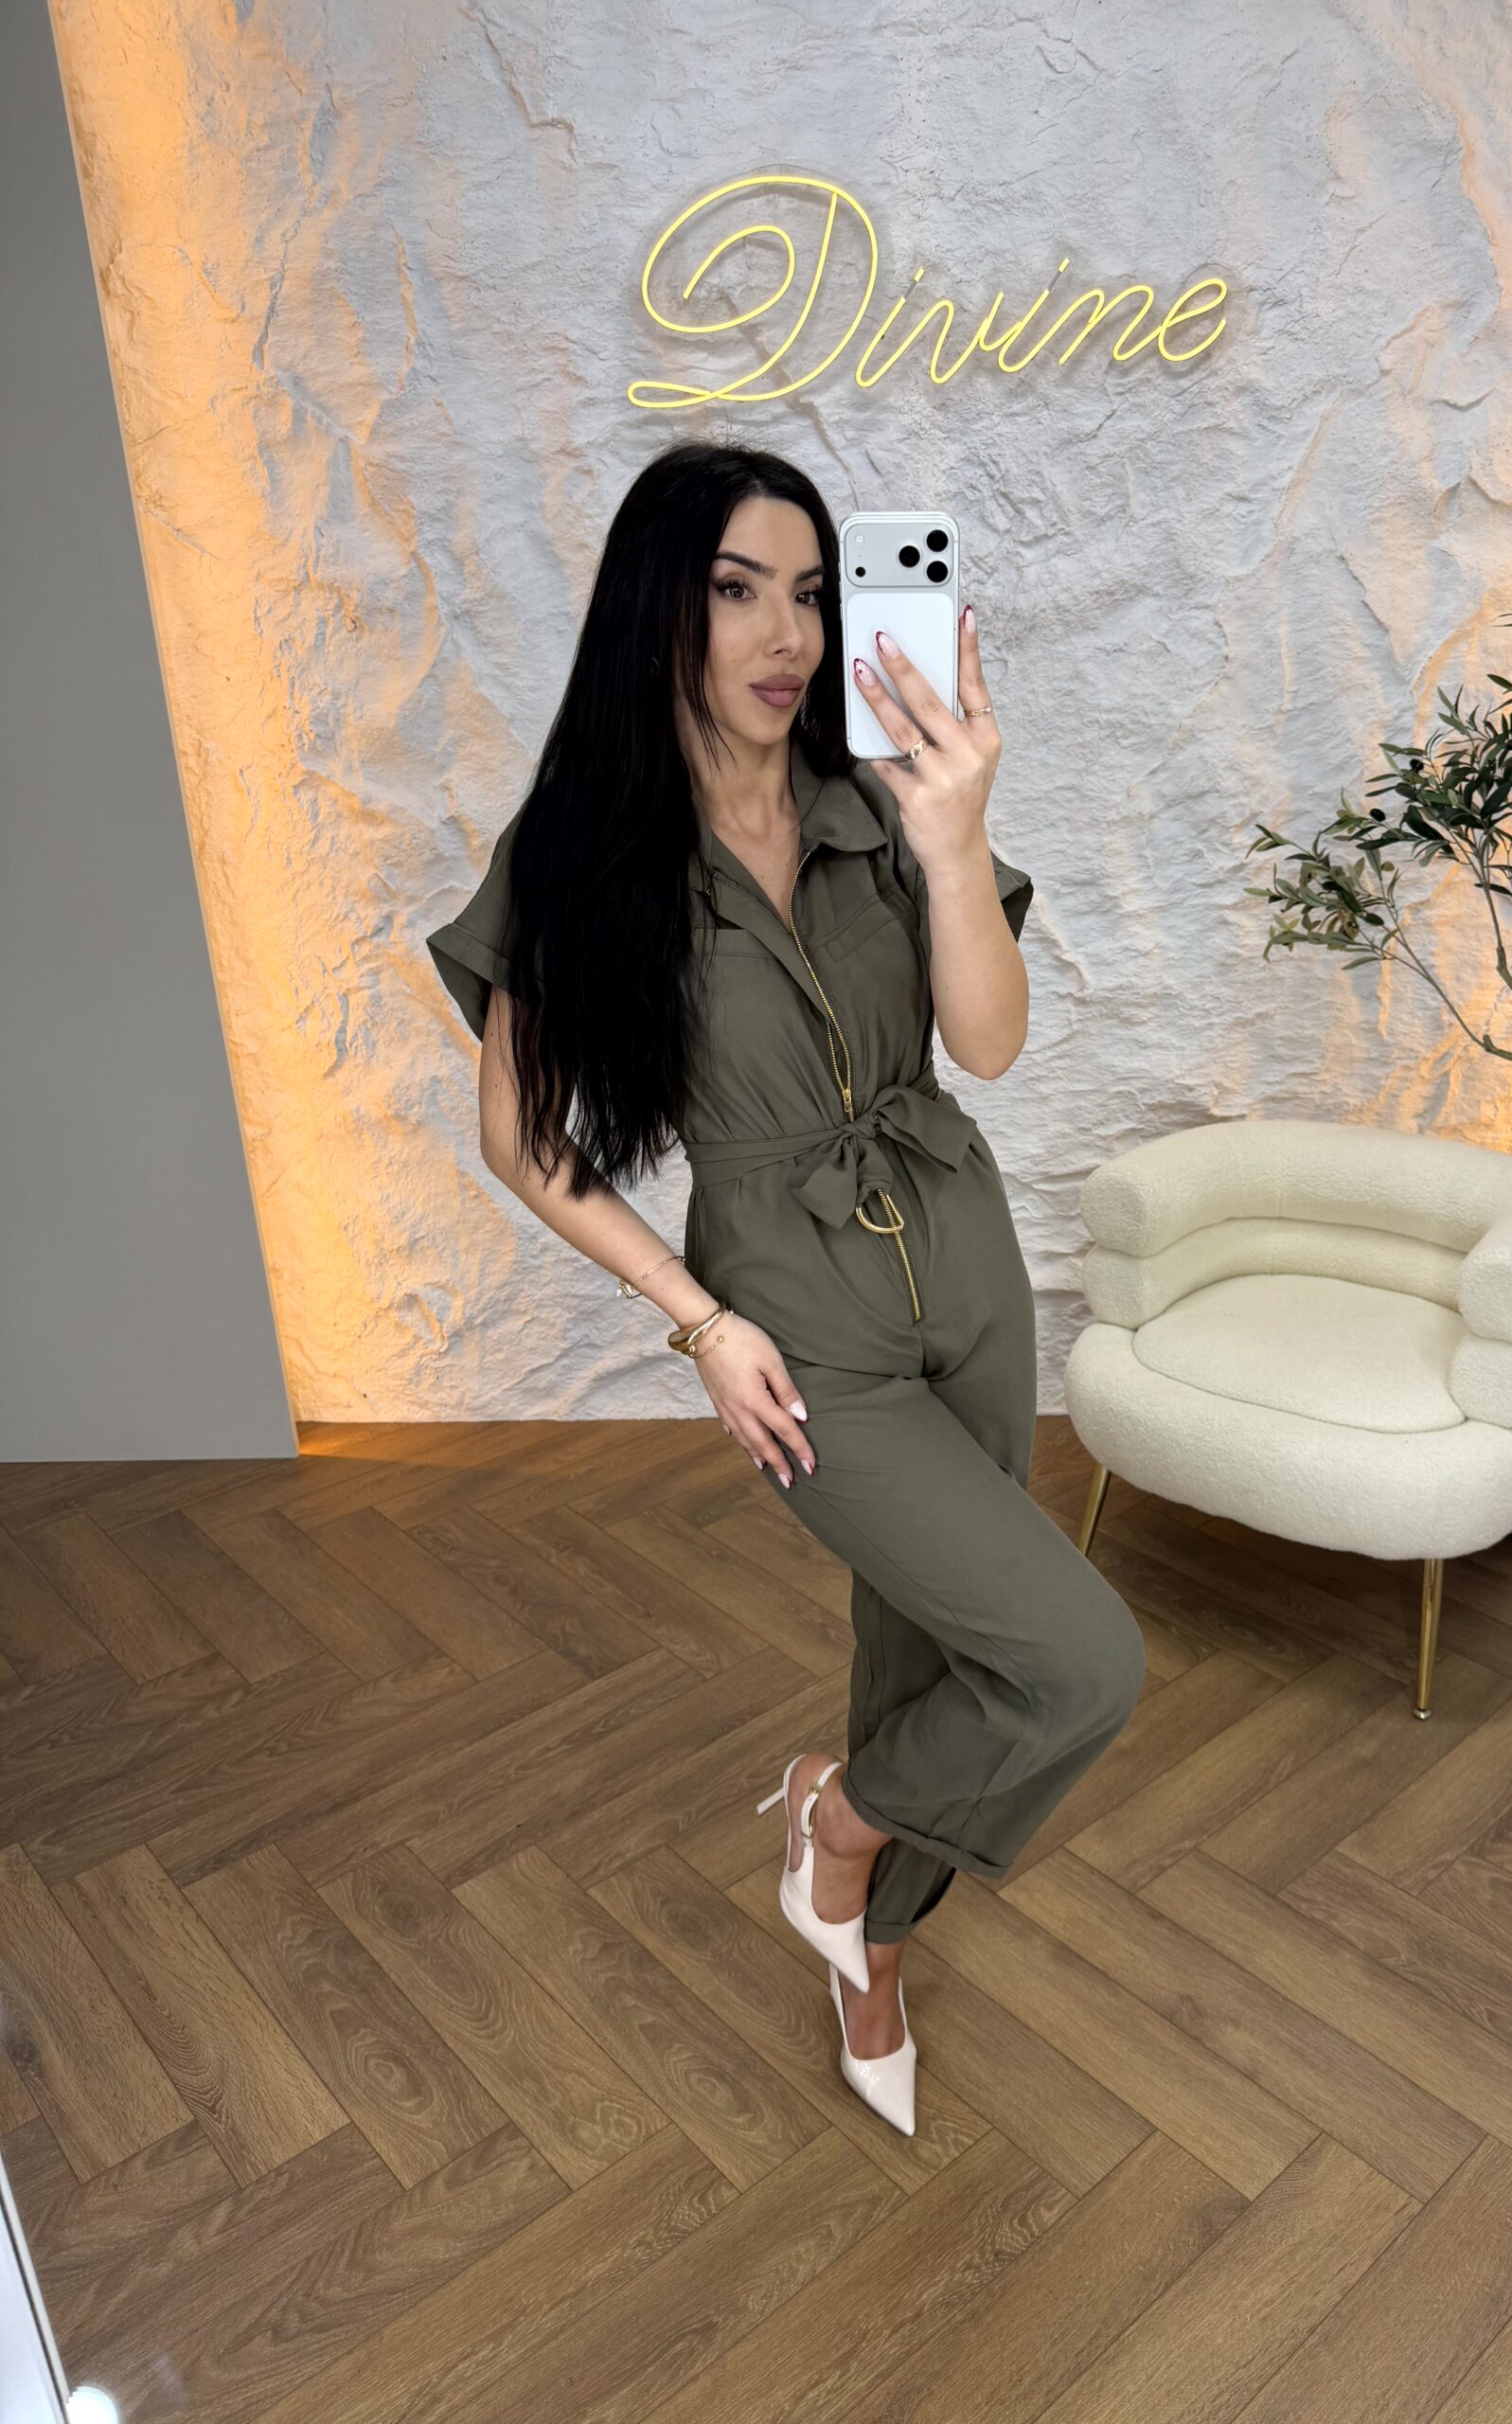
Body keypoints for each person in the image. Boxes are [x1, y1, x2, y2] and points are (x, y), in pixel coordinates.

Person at [425, 439, 1147, 2135]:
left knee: (933, 1646)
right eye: (738, 589)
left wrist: (954, 838)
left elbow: (989, 1045)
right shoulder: (583, 846)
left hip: (966, 1262)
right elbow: (521, 1135)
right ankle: (838, 1823)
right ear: (656, 608)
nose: (789, 635)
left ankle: (866, 1941)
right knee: (1080, 1662)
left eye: (813, 594)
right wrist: (699, 1320)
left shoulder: (879, 795)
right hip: (796, 1313)